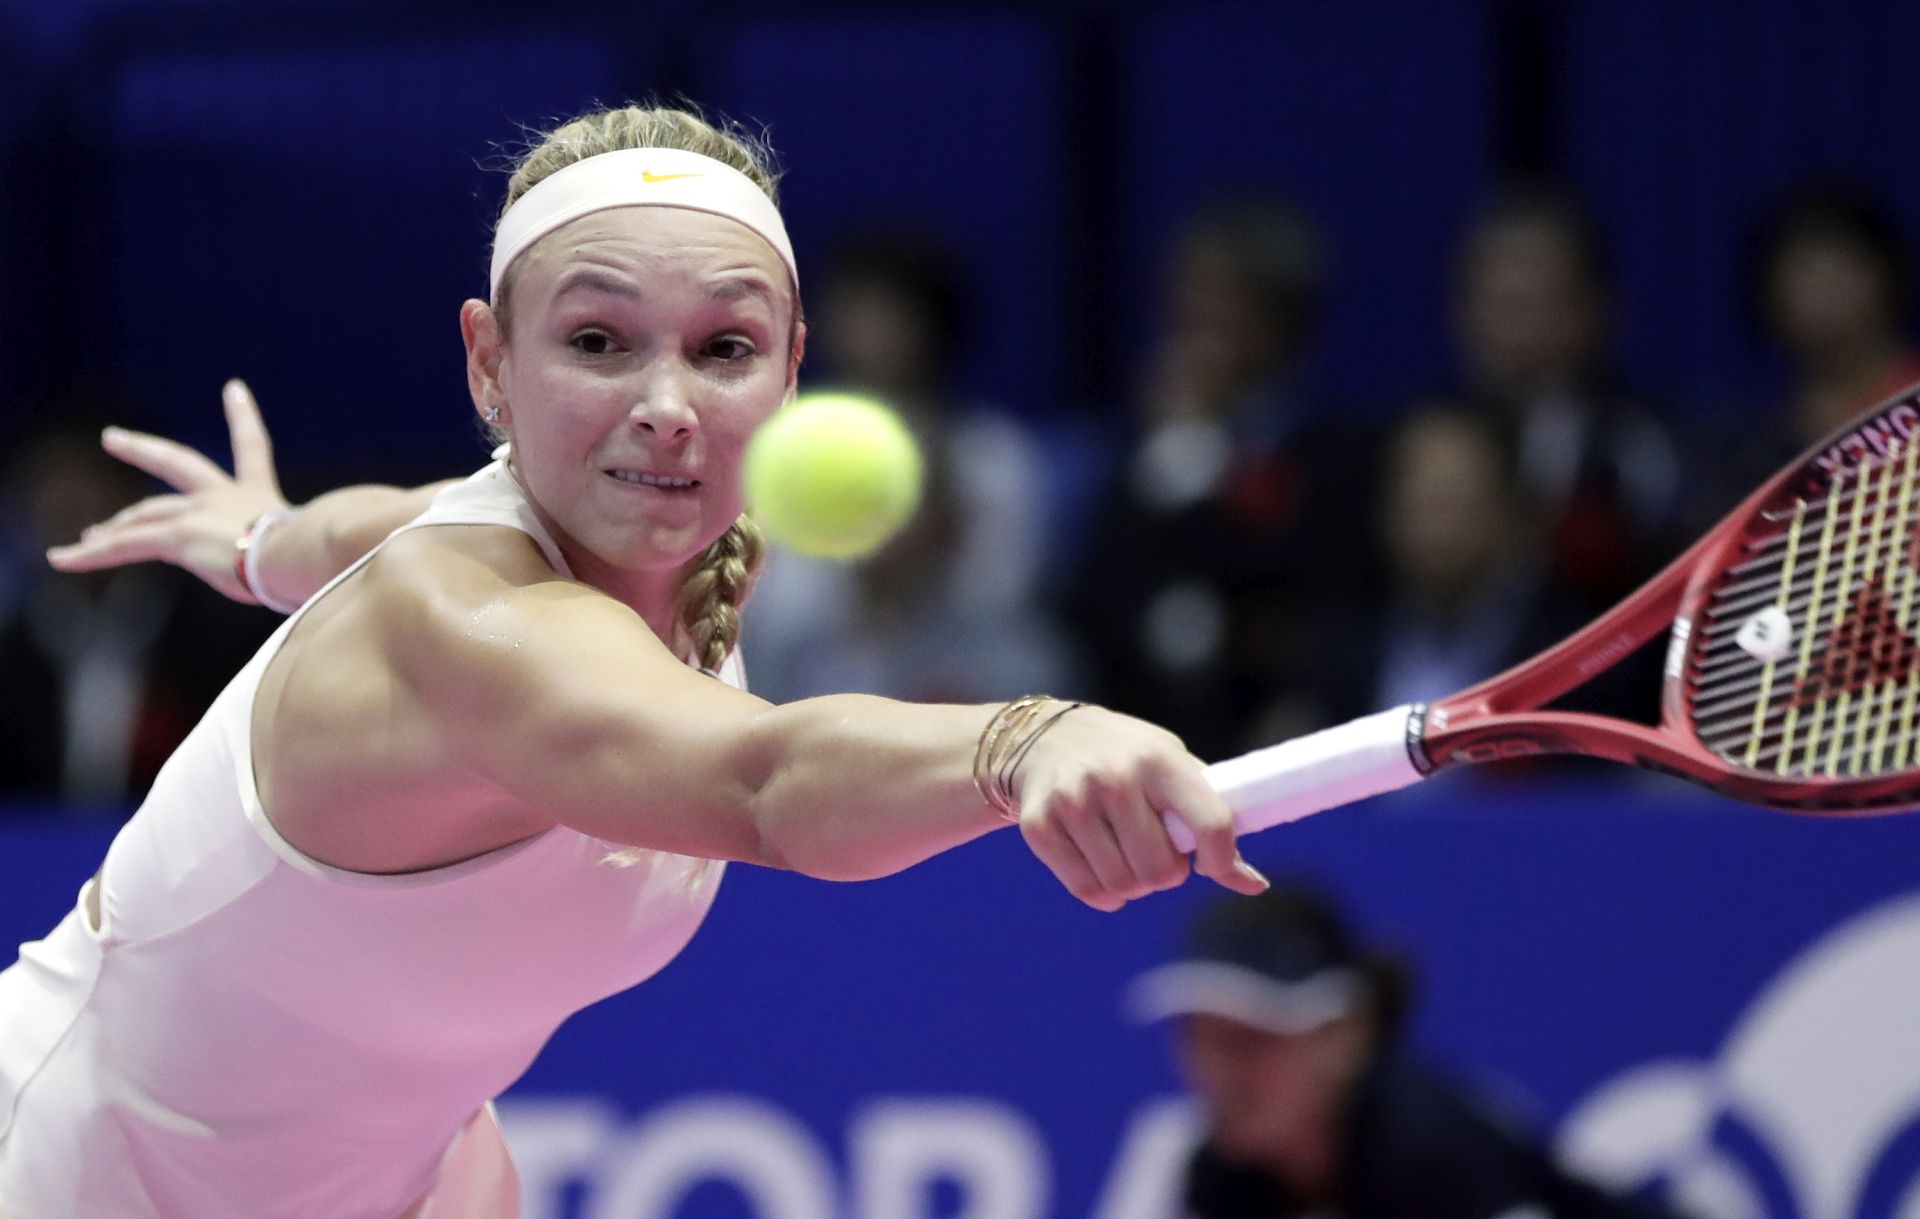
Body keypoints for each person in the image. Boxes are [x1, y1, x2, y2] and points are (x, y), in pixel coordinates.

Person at [1, 103, 1266, 1219]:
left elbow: (365, 518)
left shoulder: (658, 544)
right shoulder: (465, 617)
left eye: (724, 348)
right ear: (490, 362)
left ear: (789, 370)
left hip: (393, 1180)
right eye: (600, 342)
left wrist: (266, 541)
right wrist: (1024, 740)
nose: (667, 403)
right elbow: (762, 782)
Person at [1128, 884, 1687, 1219]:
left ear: (1344, 1036)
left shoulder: (1432, 1150)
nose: (1222, 1071)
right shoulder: (1219, 1177)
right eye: (1204, 1037)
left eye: (1255, 1038)